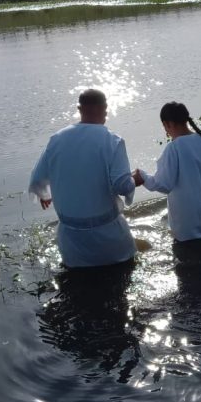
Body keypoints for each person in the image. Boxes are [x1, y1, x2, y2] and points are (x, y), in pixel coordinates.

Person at [29, 88, 137, 268]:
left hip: (72, 242)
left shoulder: (57, 139)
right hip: (109, 238)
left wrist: (45, 195)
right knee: (122, 284)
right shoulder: (112, 140)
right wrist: (135, 180)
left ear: (80, 110)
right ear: (104, 109)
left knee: (78, 286)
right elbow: (122, 185)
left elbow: (37, 180)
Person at [133, 101, 201, 241]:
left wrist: (143, 177)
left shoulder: (174, 147)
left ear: (167, 124)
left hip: (189, 222)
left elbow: (163, 184)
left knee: (190, 257)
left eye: (165, 127)